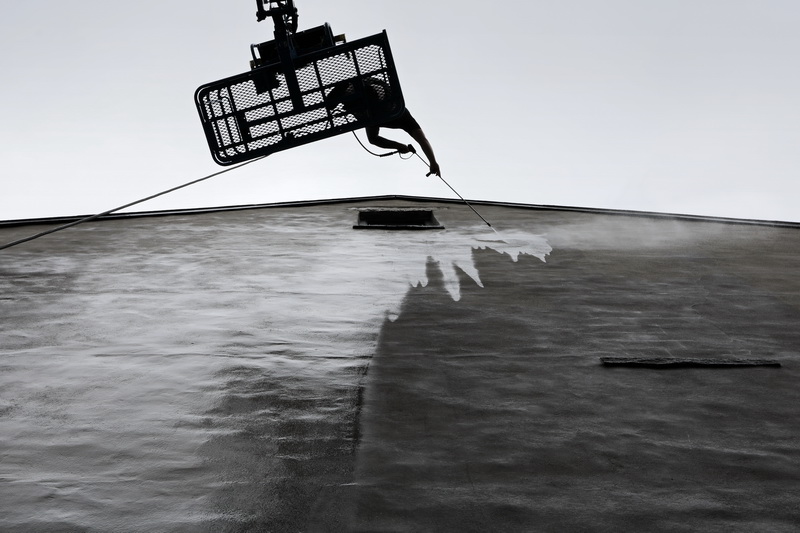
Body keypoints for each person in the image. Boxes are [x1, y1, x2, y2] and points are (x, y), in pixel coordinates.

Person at [325, 77, 441, 177]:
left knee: (370, 125)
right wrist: (433, 162)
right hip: (379, 96)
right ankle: (351, 92)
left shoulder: (382, 117)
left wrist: (399, 146)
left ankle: (350, 94)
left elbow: (373, 139)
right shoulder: (404, 117)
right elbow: (423, 140)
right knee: (374, 99)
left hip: (371, 105)